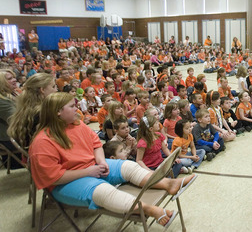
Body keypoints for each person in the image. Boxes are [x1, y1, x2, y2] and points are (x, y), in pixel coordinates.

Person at [29, 93, 195, 229]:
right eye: (72, 106)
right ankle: (149, 210)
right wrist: (89, 172)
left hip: (92, 167)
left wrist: (101, 161)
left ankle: (168, 184)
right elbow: (53, 177)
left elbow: (96, 145)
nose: (77, 109)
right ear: (58, 112)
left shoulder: (77, 125)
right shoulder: (42, 142)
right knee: (102, 190)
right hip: (64, 183)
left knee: (129, 166)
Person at [7, 73, 58, 148]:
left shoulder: (26, 107)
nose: (56, 90)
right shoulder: (42, 112)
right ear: (42, 90)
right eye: (53, 86)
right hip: (40, 151)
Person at [0, 69, 23, 169]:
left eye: (14, 77)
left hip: (17, 134)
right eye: (10, 79)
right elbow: (18, 121)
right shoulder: (2, 101)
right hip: (11, 139)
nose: (14, 80)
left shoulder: (12, 94)